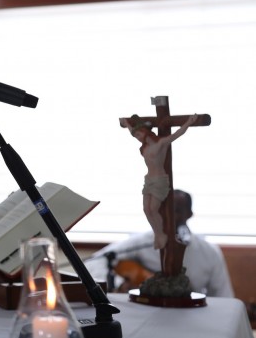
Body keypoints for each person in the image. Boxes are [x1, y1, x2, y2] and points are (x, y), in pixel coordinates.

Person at [84, 189, 233, 297]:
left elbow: (224, 297)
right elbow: (94, 262)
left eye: (177, 210)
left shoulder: (210, 252)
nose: (170, 216)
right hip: (146, 312)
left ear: (190, 214)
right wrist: (118, 284)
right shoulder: (143, 242)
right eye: (166, 210)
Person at [121, 113, 199, 249]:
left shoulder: (161, 143)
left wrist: (189, 122)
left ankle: (161, 235)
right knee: (146, 209)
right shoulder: (144, 147)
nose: (138, 138)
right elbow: (132, 133)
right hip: (149, 179)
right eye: (137, 135)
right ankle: (158, 234)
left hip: (159, 180)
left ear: (146, 133)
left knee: (153, 208)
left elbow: (177, 134)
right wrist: (127, 123)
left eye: (139, 135)